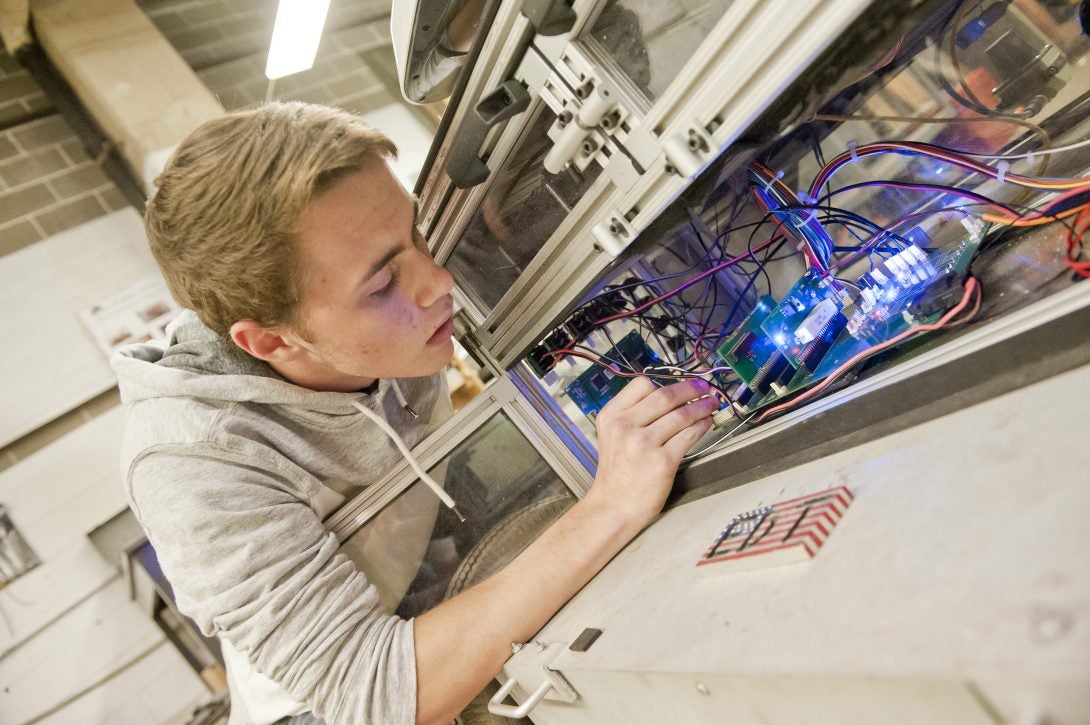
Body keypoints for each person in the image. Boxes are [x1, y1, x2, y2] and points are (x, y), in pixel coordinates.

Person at [113, 101, 716, 725]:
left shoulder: (375, 284)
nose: (437, 281)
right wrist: (612, 506)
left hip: (417, 582)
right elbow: (374, 694)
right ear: (271, 343)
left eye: (417, 234)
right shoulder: (194, 463)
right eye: (381, 287)